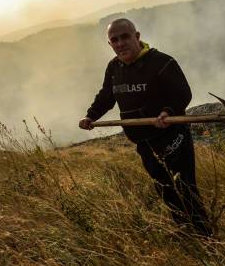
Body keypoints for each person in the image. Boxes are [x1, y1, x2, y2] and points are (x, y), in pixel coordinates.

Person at [79, 18, 212, 237]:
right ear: (110, 44)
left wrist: (167, 112)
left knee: (185, 186)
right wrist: (91, 115)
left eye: (125, 37)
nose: (120, 43)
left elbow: (182, 93)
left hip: (172, 136)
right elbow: (106, 96)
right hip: (143, 141)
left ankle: (205, 234)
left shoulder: (162, 62)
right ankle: (185, 231)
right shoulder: (114, 67)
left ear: (137, 36)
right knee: (164, 188)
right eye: (114, 40)